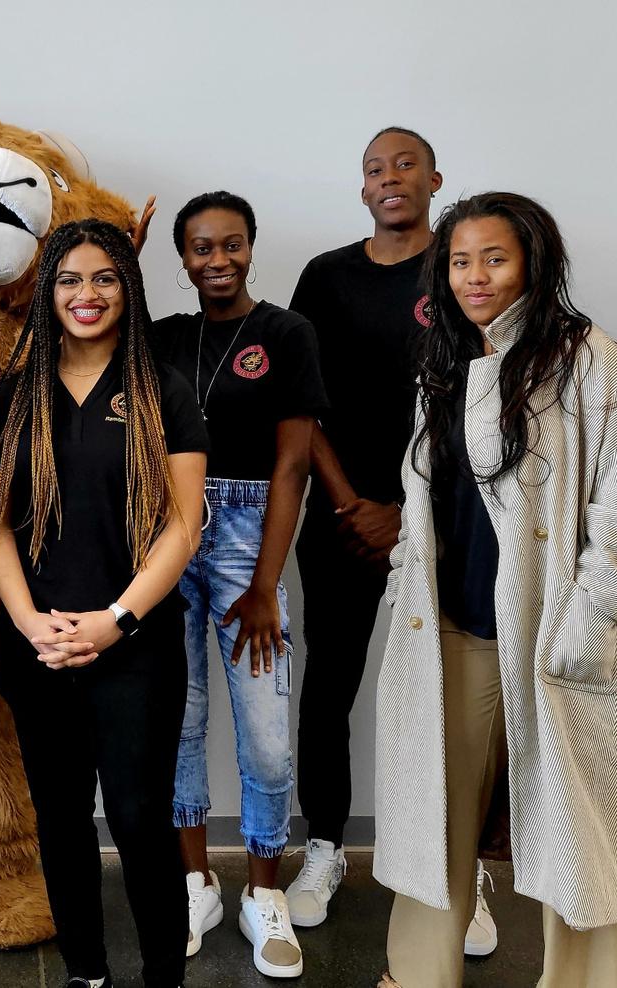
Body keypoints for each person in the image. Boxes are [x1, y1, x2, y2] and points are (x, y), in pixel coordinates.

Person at [375, 191, 617, 987]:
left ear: (533, 264)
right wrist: (405, 575)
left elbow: (614, 506)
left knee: (577, 825)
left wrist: (590, 617)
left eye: (494, 258)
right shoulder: (445, 363)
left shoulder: (587, 358)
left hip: (554, 631)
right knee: (434, 816)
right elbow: (425, 493)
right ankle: (418, 976)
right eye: (459, 262)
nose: (474, 276)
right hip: (454, 626)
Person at [0, 218, 207, 988]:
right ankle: (86, 971)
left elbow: (183, 527)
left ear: (127, 288)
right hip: (37, 646)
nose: (87, 294)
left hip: (136, 646)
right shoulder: (15, 395)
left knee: (140, 820)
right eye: (70, 279)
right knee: (62, 818)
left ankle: (163, 975)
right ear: (48, 291)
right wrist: (29, 623)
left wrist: (115, 622)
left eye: (104, 278)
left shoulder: (162, 391)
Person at [285, 128, 495, 955]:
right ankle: (325, 848)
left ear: (436, 179)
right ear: (362, 189)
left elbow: (484, 400)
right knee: (329, 685)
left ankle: (460, 871)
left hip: (450, 520)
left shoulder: (464, 271)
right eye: (375, 168)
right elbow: (299, 404)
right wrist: (352, 504)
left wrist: (411, 513)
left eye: (406, 164)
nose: (390, 178)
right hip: (342, 519)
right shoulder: (327, 277)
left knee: (457, 694)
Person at [153, 192, 326, 978]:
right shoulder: (164, 336)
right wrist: (122, 251)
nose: (217, 260)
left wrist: (263, 584)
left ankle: (263, 892)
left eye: (231, 244)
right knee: (180, 722)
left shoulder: (286, 333)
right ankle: (196, 885)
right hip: (169, 532)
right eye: (201, 248)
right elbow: (83, 331)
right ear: (182, 257)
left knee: (264, 735)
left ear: (251, 247)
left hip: (249, 538)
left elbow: (293, 467)